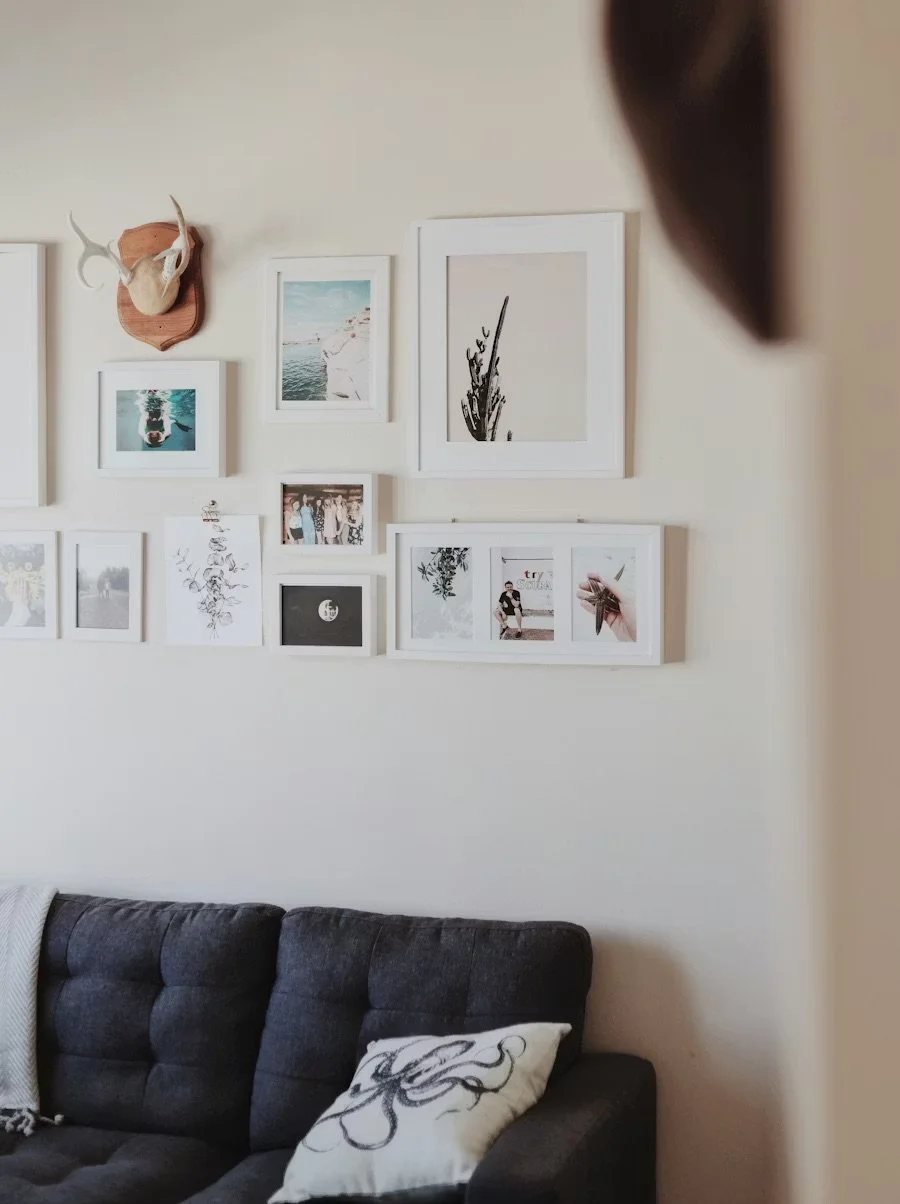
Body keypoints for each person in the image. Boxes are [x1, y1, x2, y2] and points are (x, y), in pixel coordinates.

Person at [575, 570, 637, 642]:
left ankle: (598, 629)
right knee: (613, 583)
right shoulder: (605, 592)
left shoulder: (606, 592)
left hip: (616, 610)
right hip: (607, 603)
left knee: (612, 584)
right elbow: (613, 583)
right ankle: (598, 629)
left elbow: (612, 584)